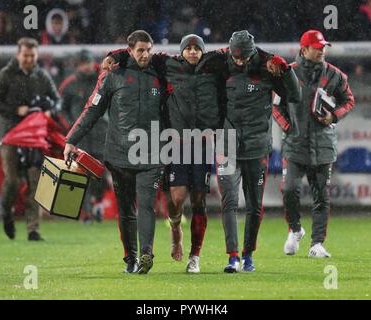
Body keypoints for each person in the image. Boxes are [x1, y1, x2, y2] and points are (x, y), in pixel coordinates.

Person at [104, 34, 226, 273]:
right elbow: (137, 52)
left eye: (196, 48)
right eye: (188, 48)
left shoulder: (214, 64)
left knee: (199, 199)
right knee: (177, 199)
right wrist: (114, 55)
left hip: (202, 142)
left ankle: (195, 256)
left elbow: (238, 53)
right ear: (181, 52)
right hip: (175, 142)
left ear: (202, 51)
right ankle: (175, 227)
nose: (192, 52)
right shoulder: (166, 63)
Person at [64, 30, 165, 274]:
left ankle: (145, 254)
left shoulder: (161, 73)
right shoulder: (112, 76)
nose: (146, 54)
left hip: (152, 153)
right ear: (130, 51)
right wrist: (71, 140)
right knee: (126, 209)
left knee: (146, 206)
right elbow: (92, 110)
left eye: (149, 49)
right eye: (140, 50)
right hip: (120, 154)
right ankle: (130, 258)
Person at [216, 30, 300, 273]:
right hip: (227, 144)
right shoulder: (220, 63)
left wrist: (286, 71)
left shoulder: (269, 66)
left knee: (254, 205)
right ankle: (232, 257)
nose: (239, 62)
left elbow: (294, 95)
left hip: (256, 147)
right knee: (229, 201)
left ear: (252, 53)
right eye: (236, 57)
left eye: (244, 58)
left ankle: (248, 254)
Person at [273, 29, 355, 258]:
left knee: (321, 195)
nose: (322, 51)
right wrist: (289, 128)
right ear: (304, 49)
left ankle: (317, 244)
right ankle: (295, 229)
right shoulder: (288, 74)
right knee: (289, 189)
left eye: (323, 47)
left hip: (323, 144)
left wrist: (334, 116)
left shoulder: (335, 75)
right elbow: (275, 105)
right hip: (295, 145)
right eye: (317, 47)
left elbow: (349, 100)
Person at [0, 37, 61, 241]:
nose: (29, 59)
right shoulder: (5, 75)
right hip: (9, 132)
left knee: (35, 180)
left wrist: (51, 110)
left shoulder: (42, 76)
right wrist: (15, 110)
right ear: (18, 54)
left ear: (37, 55)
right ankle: (7, 212)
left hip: (34, 135)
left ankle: (33, 229)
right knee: (13, 180)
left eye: (32, 55)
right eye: (26, 55)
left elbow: (57, 100)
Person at [59, 49, 107, 223]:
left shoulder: (102, 81)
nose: (86, 66)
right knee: (81, 175)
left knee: (100, 173)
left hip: (101, 133)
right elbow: (61, 110)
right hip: (81, 138)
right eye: (83, 63)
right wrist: (71, 127)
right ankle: (86, 213)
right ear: (77, 65)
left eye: (88, 62)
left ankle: (98, 205)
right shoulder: (69, 85)